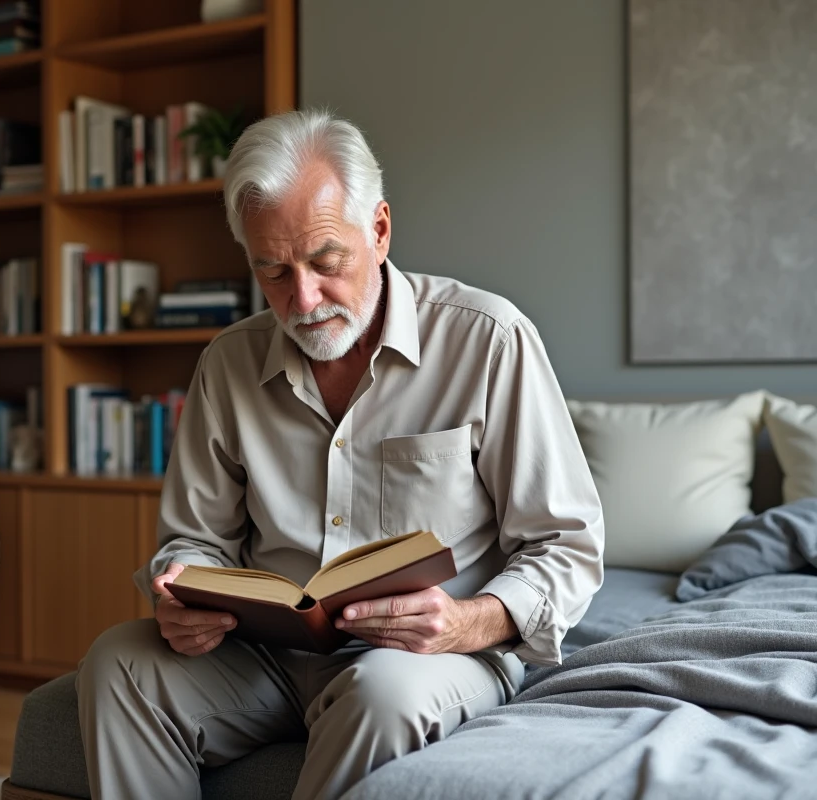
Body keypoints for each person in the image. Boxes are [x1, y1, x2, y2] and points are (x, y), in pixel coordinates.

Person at [76, 109, 604, 800]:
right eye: (272, 271)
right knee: (118, 662)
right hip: (264, 657)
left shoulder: (488, 341)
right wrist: (182, 594)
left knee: (382, 696)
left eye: (327, 263)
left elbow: (567, 545)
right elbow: (194, 539)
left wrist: (467, 621)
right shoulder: (227, 364)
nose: (303, 298)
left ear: (379, 231)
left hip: (428, 655)